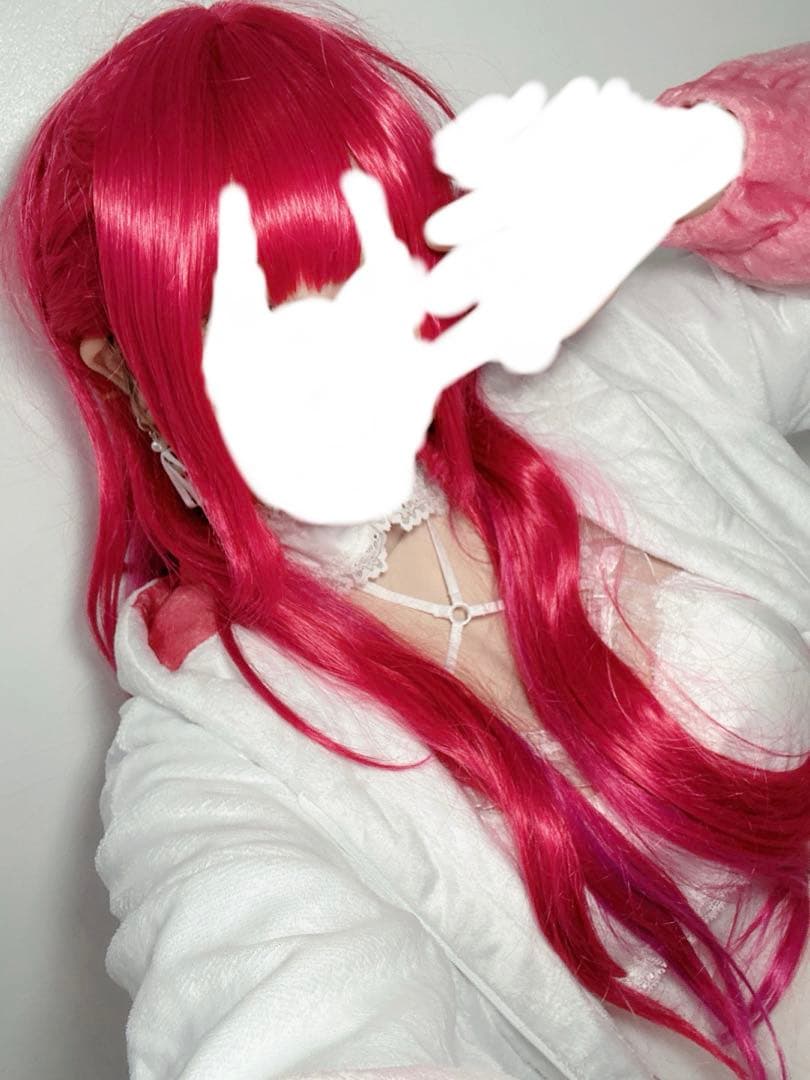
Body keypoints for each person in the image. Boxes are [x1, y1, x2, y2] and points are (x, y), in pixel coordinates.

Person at [1, 3, 809, 1078]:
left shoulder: (625, 367)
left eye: (358, 268)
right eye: (231, 313)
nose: (335, 351)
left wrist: (720, 155)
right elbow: (282, 1001)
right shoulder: (216, 764)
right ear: (122, 370)